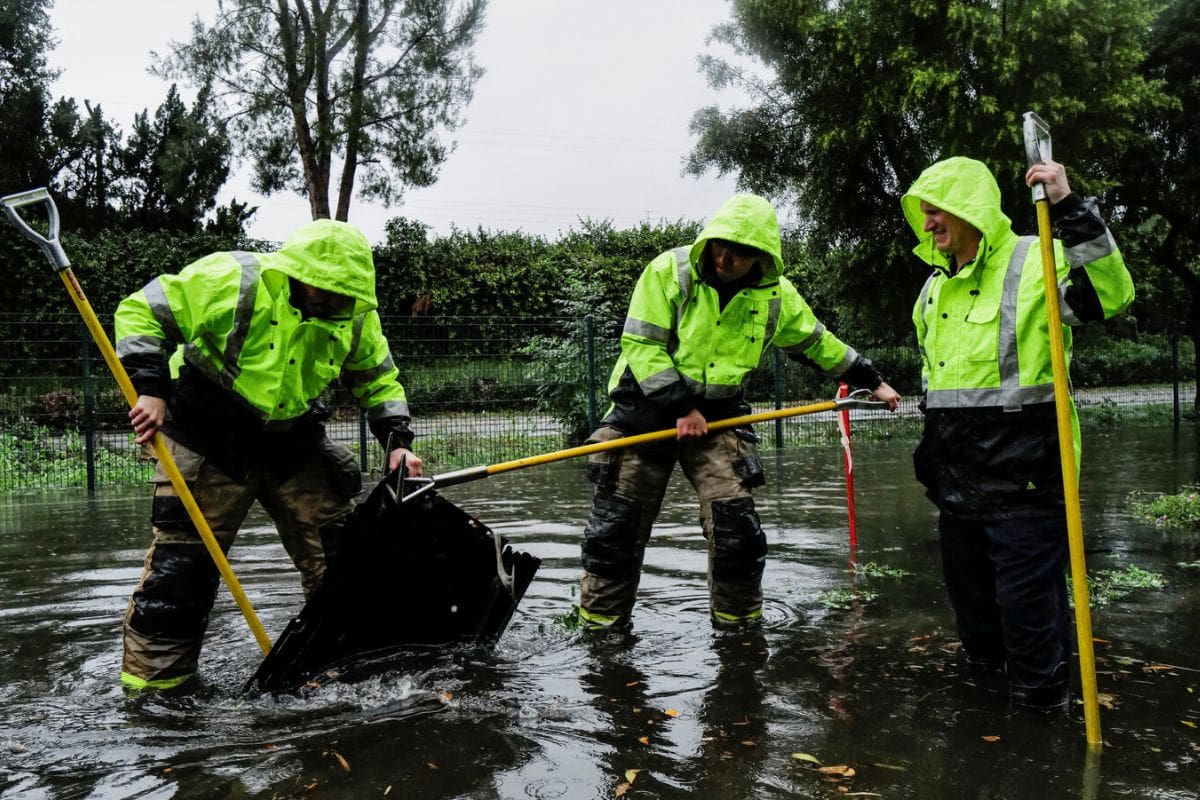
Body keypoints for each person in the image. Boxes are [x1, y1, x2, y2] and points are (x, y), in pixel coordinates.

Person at [114, 218, 422, 691]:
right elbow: (140, 312)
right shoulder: (234, 278)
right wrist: (150, 390)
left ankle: (343, 671)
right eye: (326, 292)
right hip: (208, 437)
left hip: (293, 444)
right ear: (299, 275)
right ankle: (157, 697)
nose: (336, 304)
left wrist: (397, 442)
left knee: (345, 564)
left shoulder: (357, 313)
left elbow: (378, 379)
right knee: (181, 577)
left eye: (345, 295)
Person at [577, 194, 900, 631]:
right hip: (642, 414)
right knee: (615, 531)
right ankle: (600, 634)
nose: (726, 258)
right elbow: (642, 346)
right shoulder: (668, 272)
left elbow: (817, 343)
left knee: (737, 530)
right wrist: (682, 407)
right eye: (720, 245)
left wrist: (872, 379)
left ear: (762, 257)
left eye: (741, 252)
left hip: (718, 420)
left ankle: (739, 633)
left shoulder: (775, 297)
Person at [900, 156, 1134, 710]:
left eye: (937, 212)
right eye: (924, 215)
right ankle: (986, 734)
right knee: (976, 622)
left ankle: (1040, 719)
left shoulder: (1037, 257)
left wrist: (1068, 206)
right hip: (959, 483)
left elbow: (1110, 295)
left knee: (1029, 617)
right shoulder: (932, 292)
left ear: (969, 209)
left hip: (1028, 477)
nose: (928, 225)